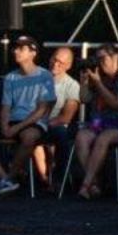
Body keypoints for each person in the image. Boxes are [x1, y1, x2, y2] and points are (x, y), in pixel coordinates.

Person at [0, 35, 55, 195]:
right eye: (15, 48)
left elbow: (42, 110)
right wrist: (5, 127)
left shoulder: (45, 76)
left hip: (33, 121)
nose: (16, 51)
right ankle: (4, 178)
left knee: (29, 136)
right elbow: (6, 107)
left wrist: (15, 128)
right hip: (13, 120)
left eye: (21, 48)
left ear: (33, 53)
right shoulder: (10, 77)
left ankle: (8, 178)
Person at [72, 44, 118, 199]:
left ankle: (86, 186)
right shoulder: (97, 74)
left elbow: (116, 103)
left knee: (103, 138)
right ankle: (94, 183)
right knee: (81, 137)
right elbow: (84, 98)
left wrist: (98, 83)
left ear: (115, 57)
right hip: (98, 123)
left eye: (103, 58)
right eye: (97, 58)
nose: (100, 62)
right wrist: (85, 82)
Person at [38, 46, 81, 189]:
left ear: (68, 66)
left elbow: (66, 117)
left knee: (61, 134)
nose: (55, 64)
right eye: (54, 60)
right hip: (32, 122)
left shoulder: (72, 85)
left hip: (54, 124)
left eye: (60, 63)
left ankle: (58, 177)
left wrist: (43, 124)